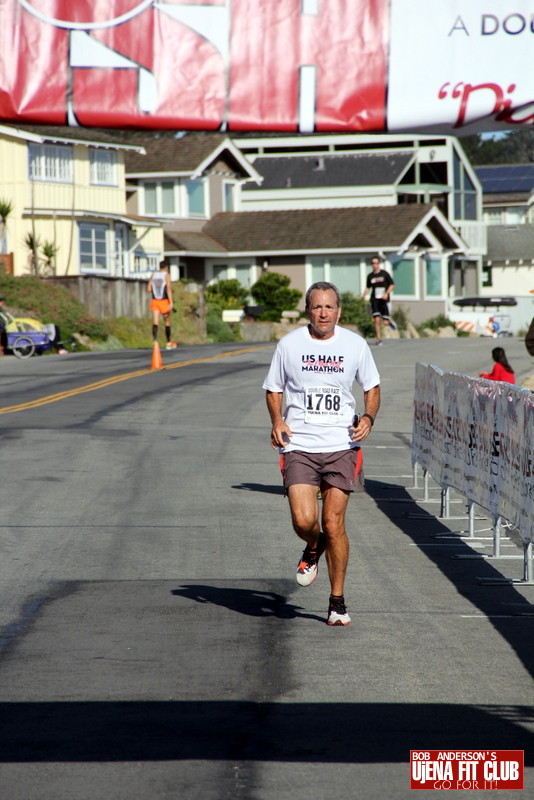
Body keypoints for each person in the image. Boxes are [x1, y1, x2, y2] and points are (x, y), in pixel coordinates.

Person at [263, 281, 381, 626]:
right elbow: (274, 388)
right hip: (299, 444)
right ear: (307, 311)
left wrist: (369, 416)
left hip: (342, 445)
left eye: (329, 307)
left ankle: (337, 601)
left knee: (333, 523)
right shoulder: (289, 345)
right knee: (304, 521)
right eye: (317, 307)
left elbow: (371, 387)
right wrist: (277, 420)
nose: (323, 313)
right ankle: (313, 545)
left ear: (339, 311)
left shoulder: (355, 345)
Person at [361, 256, 396, 345]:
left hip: (383, 300)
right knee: (376, 320)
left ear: (379, 264)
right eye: (373, 263)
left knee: (385, 322)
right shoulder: (370, 276)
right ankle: (378, 339)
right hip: (375, 300)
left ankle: (389, 322)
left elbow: (392, 285)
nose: (374, 265)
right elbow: (368, 287)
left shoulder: (385, 274)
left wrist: (386, 293)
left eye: (376, 263)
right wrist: (364, 295)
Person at [147, 259, 177, 350]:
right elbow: (168, 287)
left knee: (155, 321)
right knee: (167, 321)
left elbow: (148, 288)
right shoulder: (166, 275)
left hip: (155, 300)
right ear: (166, 267)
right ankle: (168, 342)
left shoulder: (153, 275)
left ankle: (155, 342)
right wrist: (171, 302)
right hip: (164, 301)